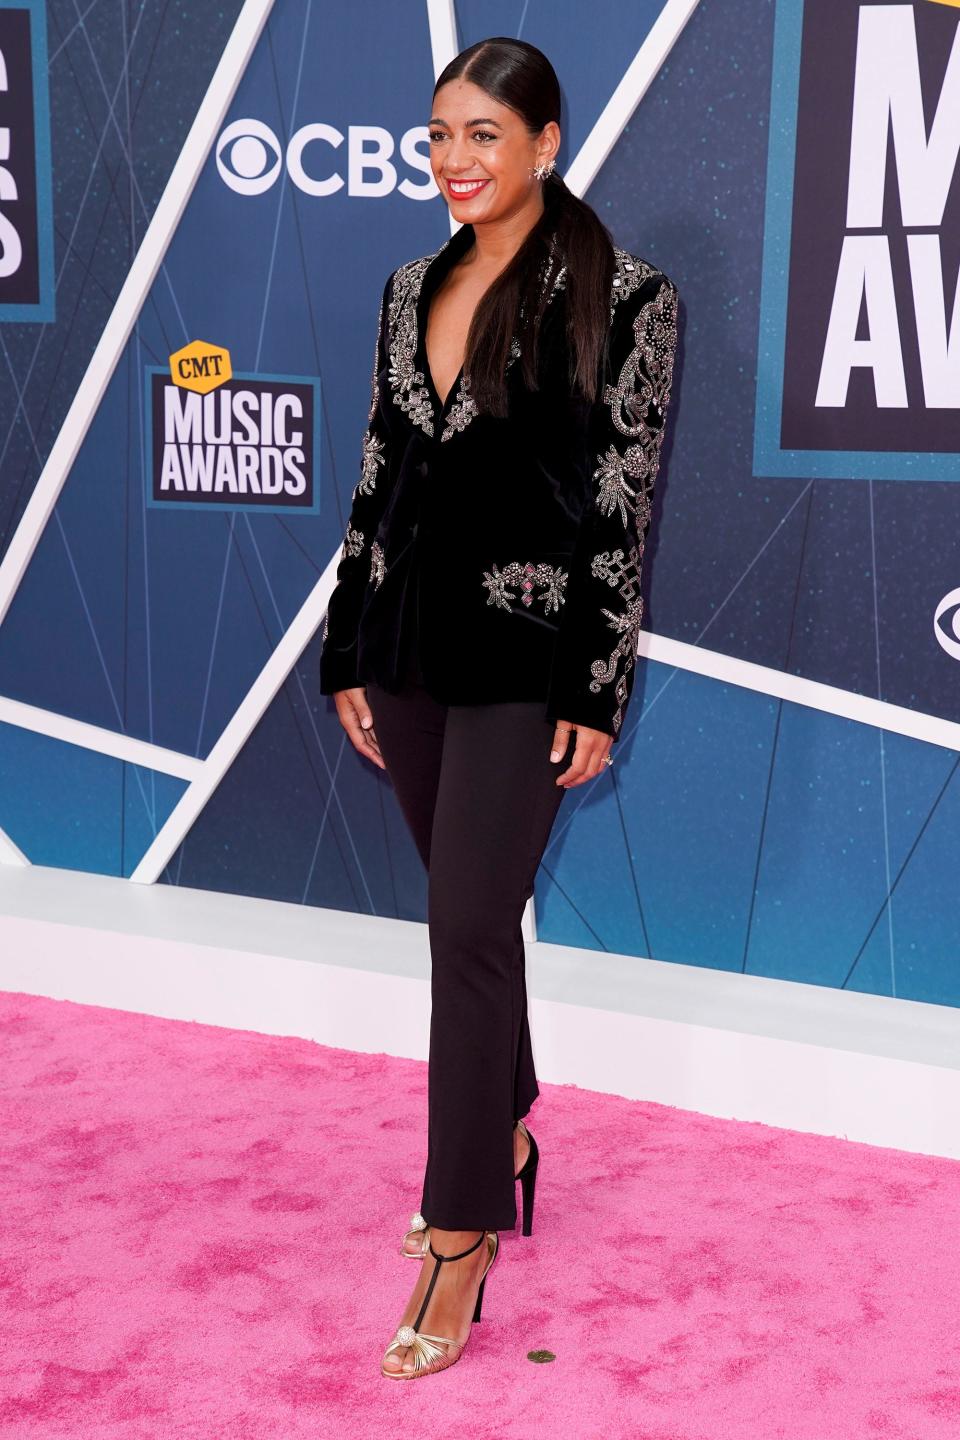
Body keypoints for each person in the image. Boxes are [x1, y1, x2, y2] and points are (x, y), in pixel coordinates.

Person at [317, 36, 680, 1380]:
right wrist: (345, 646)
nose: (456, 162)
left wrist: (598, 684)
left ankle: (459, 1224)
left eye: (483, 134)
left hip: (529, 661)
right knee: (473, 924)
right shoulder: (411, 285)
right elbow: (377, 480)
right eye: (438, 137)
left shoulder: (627, 295)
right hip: (408, 648)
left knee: (465, 923)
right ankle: (509, 1127)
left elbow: (619, 505)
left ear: (548, 142)